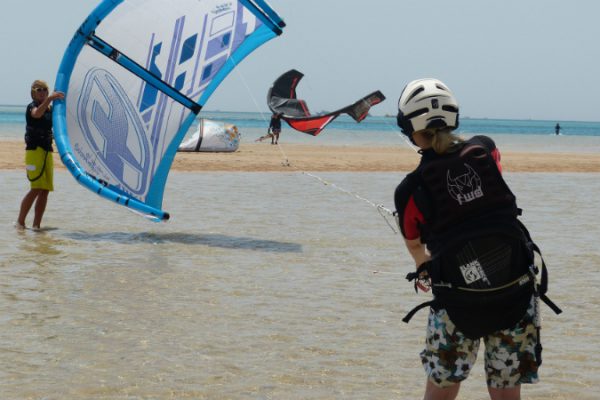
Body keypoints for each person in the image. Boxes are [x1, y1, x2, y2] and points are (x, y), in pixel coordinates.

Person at [394, 78, 560, 400]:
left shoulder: (409, 190)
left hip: (456, 305)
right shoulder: (486, 148)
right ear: (454, 117)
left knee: (441, 391)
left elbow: (415, 244)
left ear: (409, 128)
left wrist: (423, 267)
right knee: (506, 394)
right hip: (514, 295)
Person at [15, 80, 64, 230]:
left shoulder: (50, 110)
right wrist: (49, 99)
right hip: (34, 152)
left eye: (45, 90)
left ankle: (36, 226)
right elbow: (36, 115)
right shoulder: (33, 107)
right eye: (39, 90)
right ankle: (20, 222)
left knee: (45, 190)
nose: (42, 92)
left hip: (46, 151)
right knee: (36, 187)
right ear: (33, 92)